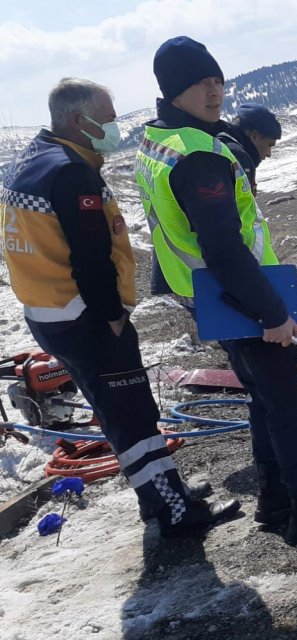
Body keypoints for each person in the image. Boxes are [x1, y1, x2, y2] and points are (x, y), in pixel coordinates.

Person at [135, 36, 297, 545]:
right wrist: (273, 312)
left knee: (264, 397)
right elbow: (224, 247)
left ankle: (275, 499)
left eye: (218, 80)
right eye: (201, 83)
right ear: (175, 89)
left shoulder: (159, 138)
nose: (215, 92)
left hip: (212, 296)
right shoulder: (198, 157)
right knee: (292, 399)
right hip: (240, 296)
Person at [1, 78, 238, 537]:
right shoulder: (70, 173)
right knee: (132, 413)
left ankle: (160, 493)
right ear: (77, 121)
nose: (114, 128)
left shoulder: (30, 161)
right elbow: (90, 256)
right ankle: (172, 509)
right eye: (107, 120)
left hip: (48, 311)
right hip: (85, 316)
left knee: (113, 409)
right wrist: (111, 315)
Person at [217, 102, 280, 194]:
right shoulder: (238, 157)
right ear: (255, 136)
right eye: (269, 145)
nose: (269, 154)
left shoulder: (222, 145)